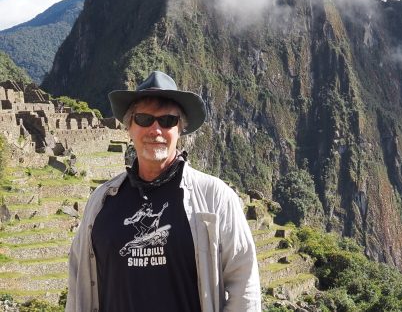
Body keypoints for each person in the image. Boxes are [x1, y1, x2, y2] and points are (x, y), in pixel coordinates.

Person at [66, 71, 261, 312]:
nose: (155, 130)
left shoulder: (215, 198)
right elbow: (78, 281)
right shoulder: (102, 201)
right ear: (129, 127)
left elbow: (244, 285)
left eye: (167, 121)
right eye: (144, 119)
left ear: (180, 129)